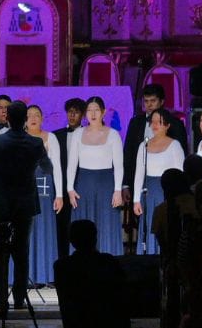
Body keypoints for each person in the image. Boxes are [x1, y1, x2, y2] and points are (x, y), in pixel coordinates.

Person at [0, 101, 52, 316]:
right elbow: (48, 167)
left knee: (0, 251)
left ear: (7, 118)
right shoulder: (35, 143)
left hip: (1, 203)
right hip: (25, 203)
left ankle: (0, 300)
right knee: (21, 250)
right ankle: (18, 299)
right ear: (25, 119)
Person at [53, 220, 133, 328]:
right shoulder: (110, 262)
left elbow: (65, 304)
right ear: (95, 238)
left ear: (71, 241)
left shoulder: (61, 266)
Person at [67, 96, 125, 256]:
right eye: (89, 110)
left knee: (105, 223)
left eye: (96, 110)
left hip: (106, 184)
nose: (92, 114)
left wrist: (118, 190)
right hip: (84, 184)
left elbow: (119, 166)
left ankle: (109, 263)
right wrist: (70, 189)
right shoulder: (78, 133)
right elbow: (72, 163)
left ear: (103, 112)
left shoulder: (113, 134)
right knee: (83, 224)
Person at [132, 108, 185, 255]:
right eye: (153, 122)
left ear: (167, 125)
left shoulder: (175, 145)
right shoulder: (144, 145)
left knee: (166, 226)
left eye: (159, 122)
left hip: (166, 192)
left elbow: (180, 173)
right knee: (149, 226)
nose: (155, 125)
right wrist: (136, 199)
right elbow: (139, 173)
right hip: (148, 192)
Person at [124, 84, 188, 200]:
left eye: (153, 101)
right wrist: (125, 184)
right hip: (138, 181)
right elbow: (128, 154)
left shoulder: (175, 124)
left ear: (162, 101)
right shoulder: (135, 122)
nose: (149, 105)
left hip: (167, 183)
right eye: (146, 101)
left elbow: (182, 156)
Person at [25, 104, 64, 285]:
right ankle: (24, 275)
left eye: (37, 115)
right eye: (30, 115)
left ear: (42, 118)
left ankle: (44, 275)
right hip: (23, 190)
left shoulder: (50, 138)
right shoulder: (19, 138)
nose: (33, 118)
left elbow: (55, 167)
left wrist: (59, 195)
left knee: (43, 229)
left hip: (45, 190)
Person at [52, 97, 86, 259]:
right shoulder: (56, 135)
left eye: (76, 112)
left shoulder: (88, 135)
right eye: (70, 112)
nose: (72, 115)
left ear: (83, 115)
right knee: (61, 225)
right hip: (60, 188)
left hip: (81, 185)